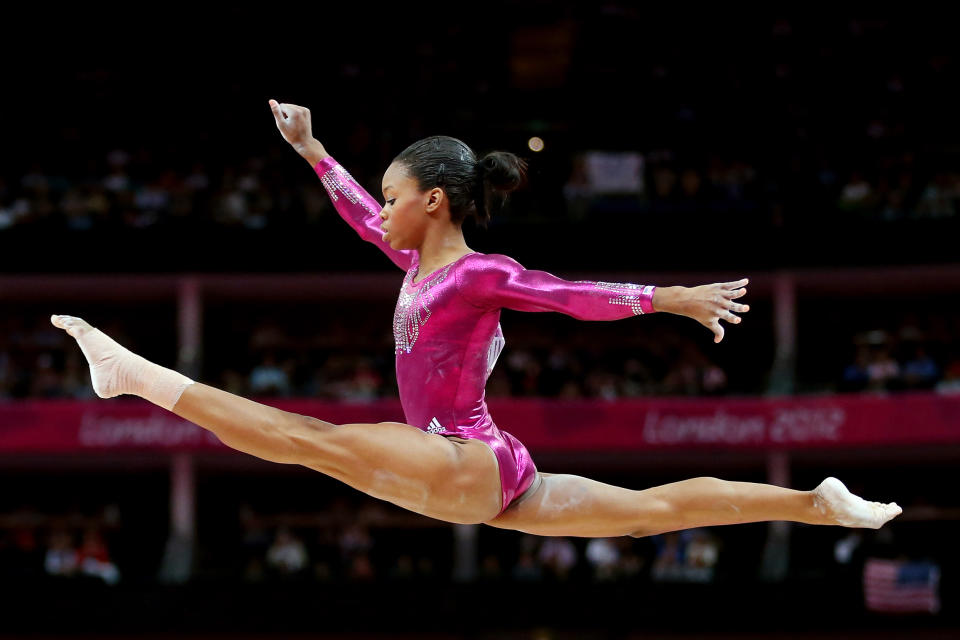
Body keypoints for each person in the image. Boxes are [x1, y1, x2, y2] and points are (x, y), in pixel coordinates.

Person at [50, 100, 902, 539]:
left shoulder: (475, 274)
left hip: (466, 457)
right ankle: (812, 503)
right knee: (652, 512)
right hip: (498, 483)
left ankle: (138, 378)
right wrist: (312, 150)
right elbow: (353, 211)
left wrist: (667, 298)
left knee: (310, 440)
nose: (381, 213)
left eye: (393, 199)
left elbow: (566, 294)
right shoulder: (418, 265)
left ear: (432, 200)